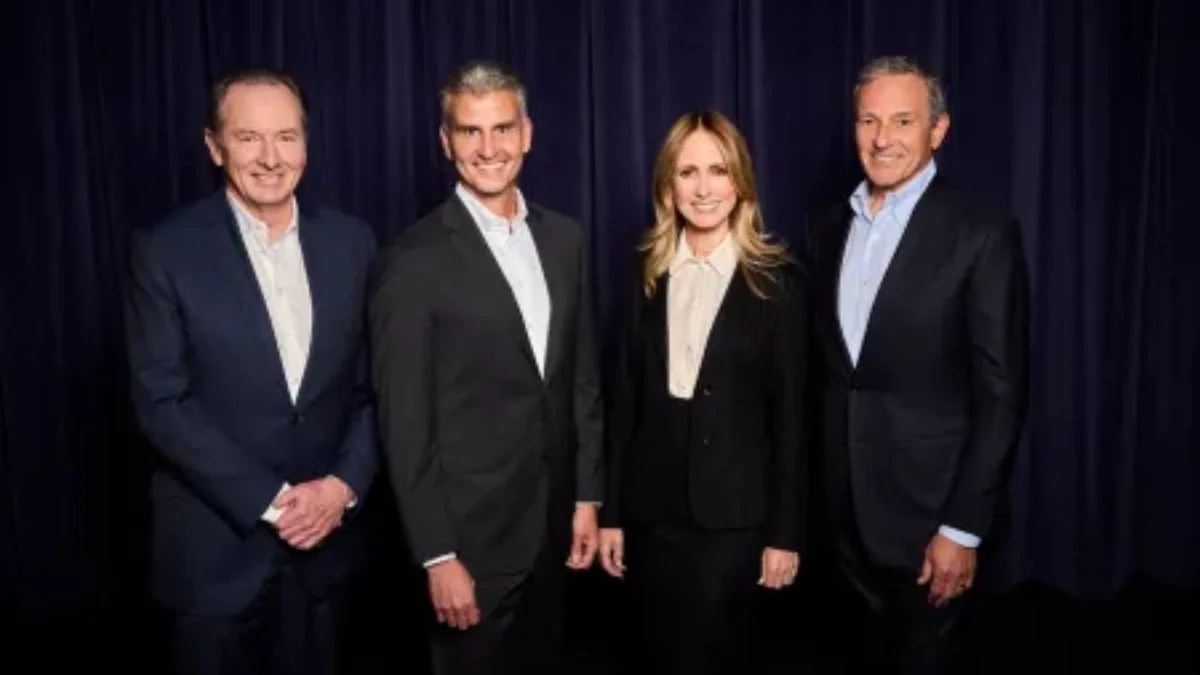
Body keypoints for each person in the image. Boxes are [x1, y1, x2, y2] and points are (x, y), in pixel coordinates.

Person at [123, 67, 378, 675]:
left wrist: (342, 488)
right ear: (214, 145)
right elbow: (161, 402)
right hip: (214, 562)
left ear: (306, 145)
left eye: (286, 137)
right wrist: (274, 502)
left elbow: (377, 388)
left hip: (325, 559)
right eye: (248, 138)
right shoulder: (164, 250)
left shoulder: (353, 243)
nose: (270, 157)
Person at [367, 60, 603, 675]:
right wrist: (437, 555)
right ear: (446, 143)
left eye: (502, 129)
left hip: (555, 532)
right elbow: (405, 424)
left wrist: (586, 496)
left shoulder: (565, 239)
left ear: (527, 133)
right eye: (470, 132)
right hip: (470, 545)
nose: (489, 148)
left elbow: (580, 381)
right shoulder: (410, 261)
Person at [803, 55, 1030, 674]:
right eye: (868, 120)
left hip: (930, 522)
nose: (882, 139)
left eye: (903, 121)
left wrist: (962, 529)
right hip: (842, 518)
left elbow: (1001, 392)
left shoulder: (981, 231)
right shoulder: (827, 228)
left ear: (938, 129)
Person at [597, 110, 807, 675]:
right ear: (668, 186)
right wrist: (611, 513)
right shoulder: (644, 273)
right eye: (688, 172)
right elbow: (622, 405)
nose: (704, 187)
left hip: (736, 521)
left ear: (739, 182)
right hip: (654, 517)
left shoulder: (777, 281)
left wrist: (785, 534)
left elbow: (791, 419)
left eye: (718, 170)